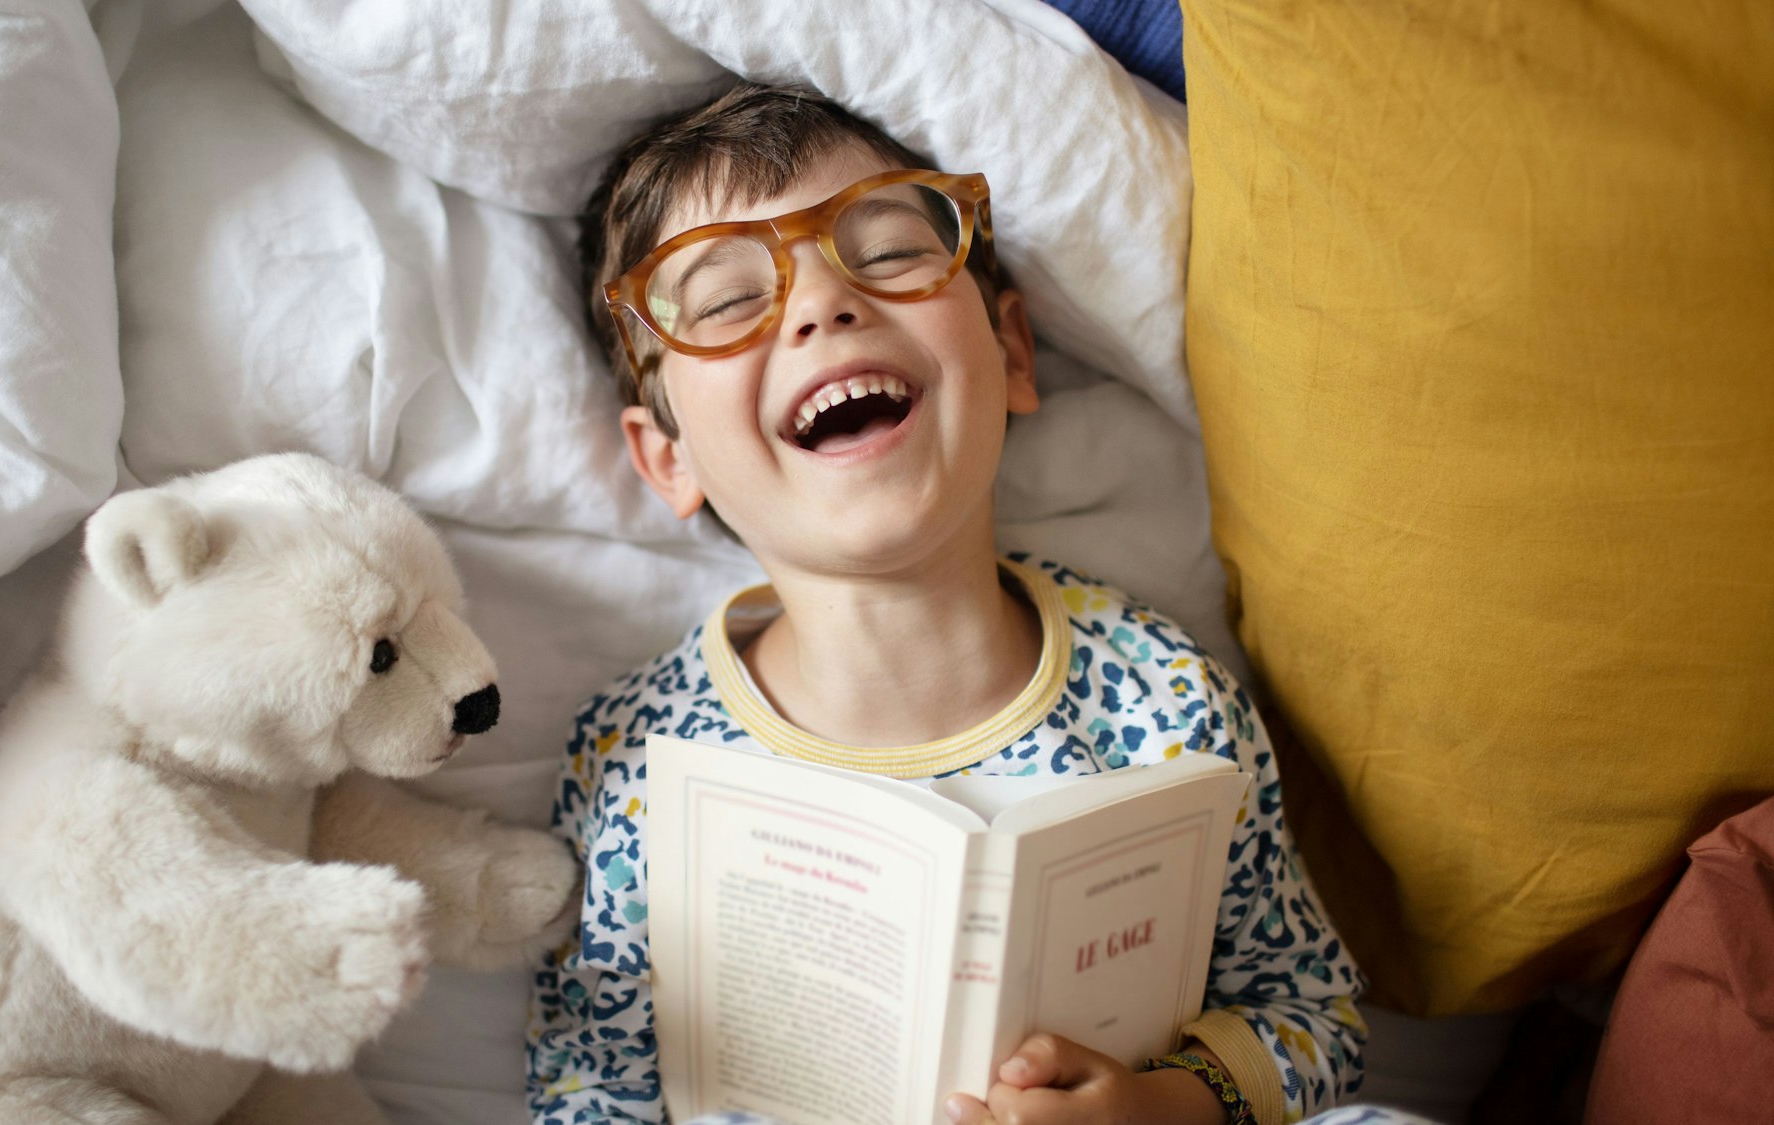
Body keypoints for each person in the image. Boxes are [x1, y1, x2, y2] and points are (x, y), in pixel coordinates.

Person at [526, 81, 1364, 1125]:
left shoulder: (1161, 697)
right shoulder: (637, 761)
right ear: (667, 458)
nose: (821, 304)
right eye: (727, 300)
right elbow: (586, 1083)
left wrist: (1163, 1105)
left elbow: (1313, 1021)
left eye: (884, 253)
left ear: (1010, 352)